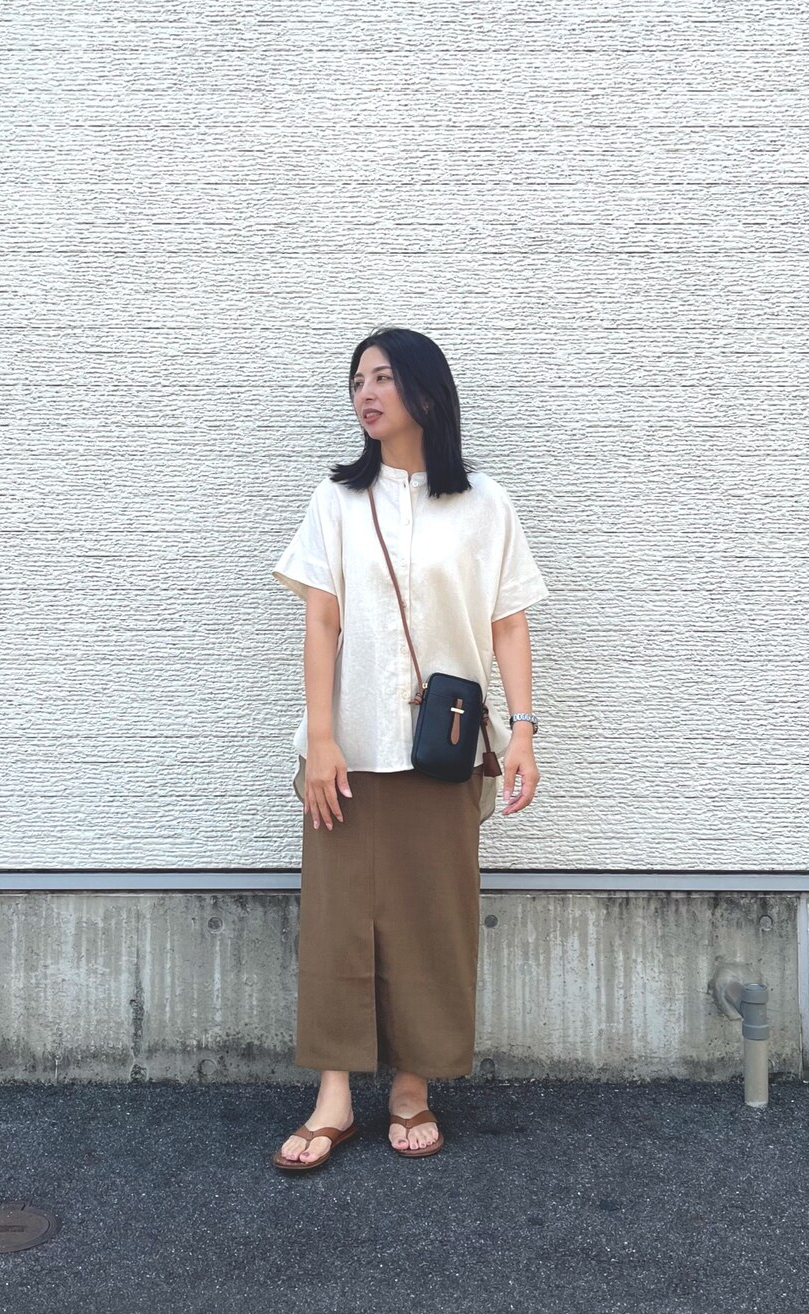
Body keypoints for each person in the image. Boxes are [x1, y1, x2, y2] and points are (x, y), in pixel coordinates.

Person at [270, 326, 548, 1170]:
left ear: (427, 390)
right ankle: (333, 1099)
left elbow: (508, 622)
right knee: (337, 922)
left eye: (384, 377)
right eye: (358, 379)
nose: (367, 392)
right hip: (348, 747)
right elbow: (322, 621)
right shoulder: (336, 501)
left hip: (444, 748)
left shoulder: (485, 503)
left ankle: (412, 1089)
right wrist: (322, 737)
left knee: (434, 919)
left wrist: (524, 730)